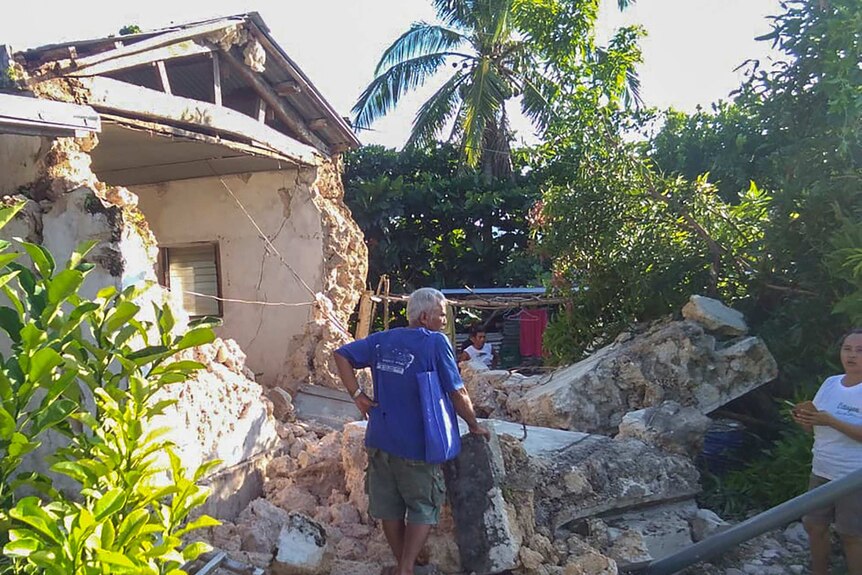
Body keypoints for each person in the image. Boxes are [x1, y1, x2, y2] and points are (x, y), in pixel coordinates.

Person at [333, 287, 490, 575]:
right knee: (423, 506)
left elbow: (341, 355)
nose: (444, 321)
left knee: (389, 508)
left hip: (380, 439)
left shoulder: (383, 339)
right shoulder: (435, 343)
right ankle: (406, 568)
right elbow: (457, 391)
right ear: (424, 316)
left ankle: (402, 562)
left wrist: (357, 394)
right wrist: (474, 424)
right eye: (441, 315)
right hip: (418, 443)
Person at [793, 328, 862, 575]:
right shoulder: (831, 383)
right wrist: (805, 420)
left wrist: (831, 421)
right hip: (822, 469)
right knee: (813, 525)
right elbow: (815, 427)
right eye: (847, 349)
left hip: (853, 476)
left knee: (851, 534)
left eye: (859, 350)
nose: (852, 355)